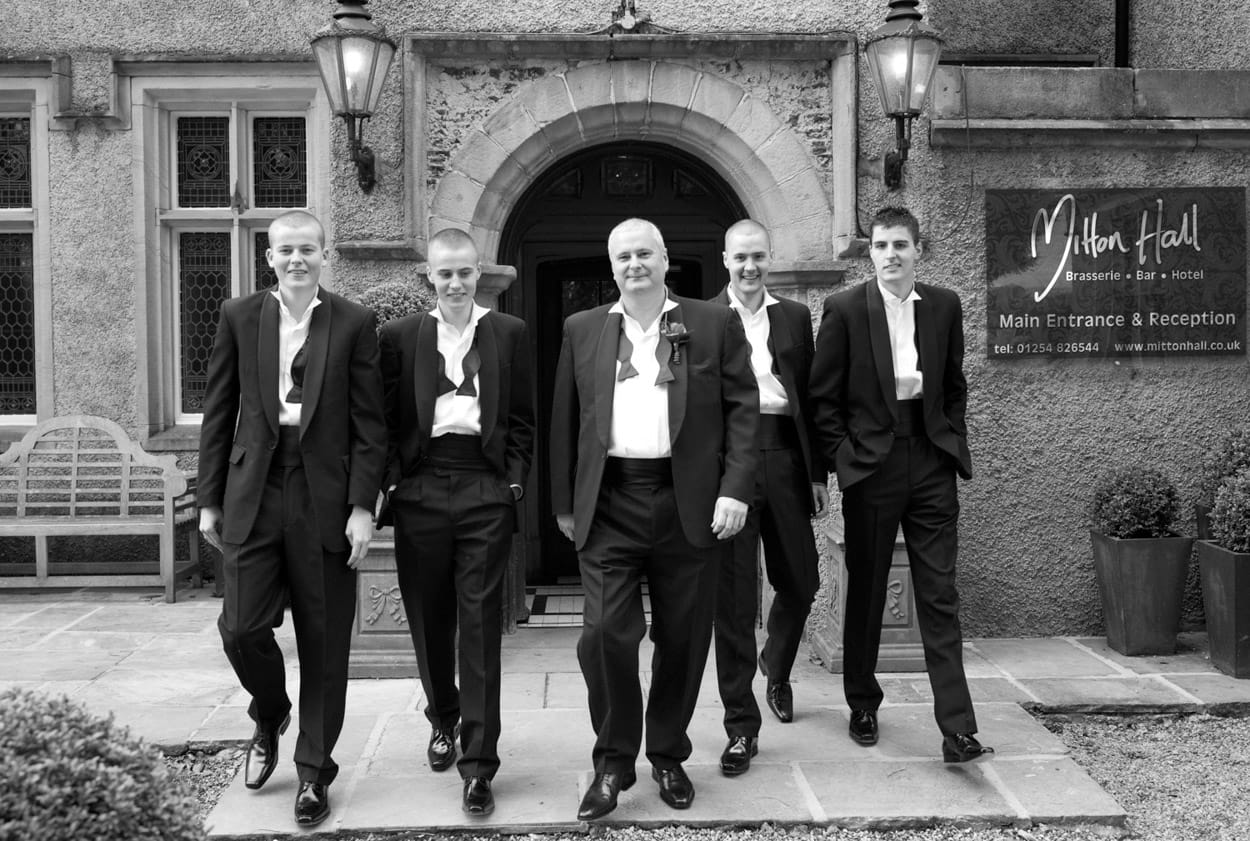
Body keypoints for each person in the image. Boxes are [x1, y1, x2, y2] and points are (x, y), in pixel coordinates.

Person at [550, 217, 759, 820]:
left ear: (665, 260)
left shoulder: (713, 322)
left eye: (644, 253)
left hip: (687, 502)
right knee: (606, 635)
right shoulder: (583, 328)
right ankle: (613, 763)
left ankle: (667, 754)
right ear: (611, 265)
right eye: (623, 257)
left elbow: (745, 411)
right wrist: (565, 502)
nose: (634, 264)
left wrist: (735, 488)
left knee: (684, 637)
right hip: (610, 501)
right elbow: (566, 417)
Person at [197, 209, 387, 827]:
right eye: (286, 250)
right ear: (270, 257)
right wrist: (209, 498)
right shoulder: (239, 316)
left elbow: (369, 423)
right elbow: (218, 409)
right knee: (240, 628)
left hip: (325, 494)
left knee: (325, 640)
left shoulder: (356, 321)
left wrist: (364, 506)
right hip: (255, 489)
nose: (297, 259)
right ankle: (270, 708)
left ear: (323, 253)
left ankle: (313, 773)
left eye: (308, 248)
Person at [809, 206, 990, 763]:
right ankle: (863, 702)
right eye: (882, 245)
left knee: (940, 593)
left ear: (918, 251)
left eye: (901, 246)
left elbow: (954, 384)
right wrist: (846, 457)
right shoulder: (844, 309)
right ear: (872, 253)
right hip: (872, 465)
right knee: (866, 590)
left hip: (930, 461)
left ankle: (956, 727)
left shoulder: (943, 306)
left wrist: (950, 438)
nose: (891, 255)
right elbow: (823, 396)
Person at [377, 228, 534, 817]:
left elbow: (522, 418)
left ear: (479, 274)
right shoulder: (399, 336)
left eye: (465, 272)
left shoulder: (509, 333)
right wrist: (394, 484)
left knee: (479, 625)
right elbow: (386, 418)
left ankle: (479, 763)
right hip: (420, 485)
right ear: (430, 277)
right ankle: (443, 715)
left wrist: (511, 484)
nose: (456, 283)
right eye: (445, 273)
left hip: (484, 487)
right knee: (428, 619)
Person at [709, 220, 827, 777]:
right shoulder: (703, 318)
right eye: (740, 258)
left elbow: (810, 398)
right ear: (725, 260)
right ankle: (741, 726)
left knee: (801, 580)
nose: (749, 267)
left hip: (785, 457)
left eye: (758, 256)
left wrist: (818, 474)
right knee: (732, 602)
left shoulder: (795, 316)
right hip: (731, 464)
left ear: (768, 257)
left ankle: (775, 666)